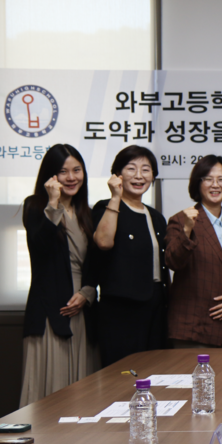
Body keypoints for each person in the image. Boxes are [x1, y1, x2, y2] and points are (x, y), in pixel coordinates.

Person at [20, 144, 98, 407]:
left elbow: (97, 263)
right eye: (63, 172)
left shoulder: (86, 213)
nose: (71, 177)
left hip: (82, 309)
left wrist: (87, 293)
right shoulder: (35, 206)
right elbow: (40, 248)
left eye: (77, 170)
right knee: (50, 392)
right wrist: (53, 203)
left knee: (82, 394)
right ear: (51, 176)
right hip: (50, 309)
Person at [165, 155, 222, 348]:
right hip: (192, 328)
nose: (215, 185)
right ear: (198, 183)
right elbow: (173, 262)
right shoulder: (180, 220)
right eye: (208, 179)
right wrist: (187, 230)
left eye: (221, 179)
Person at [89, 145, 168, 367]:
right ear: (118, 174)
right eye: (131, 168)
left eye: (146, 169)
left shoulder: (156, 216)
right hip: (121, 309)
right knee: (122, 373)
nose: (139, 176)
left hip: (156, 304)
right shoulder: (105, 208)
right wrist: (115, 197)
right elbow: (103, 242)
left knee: (154, 369)